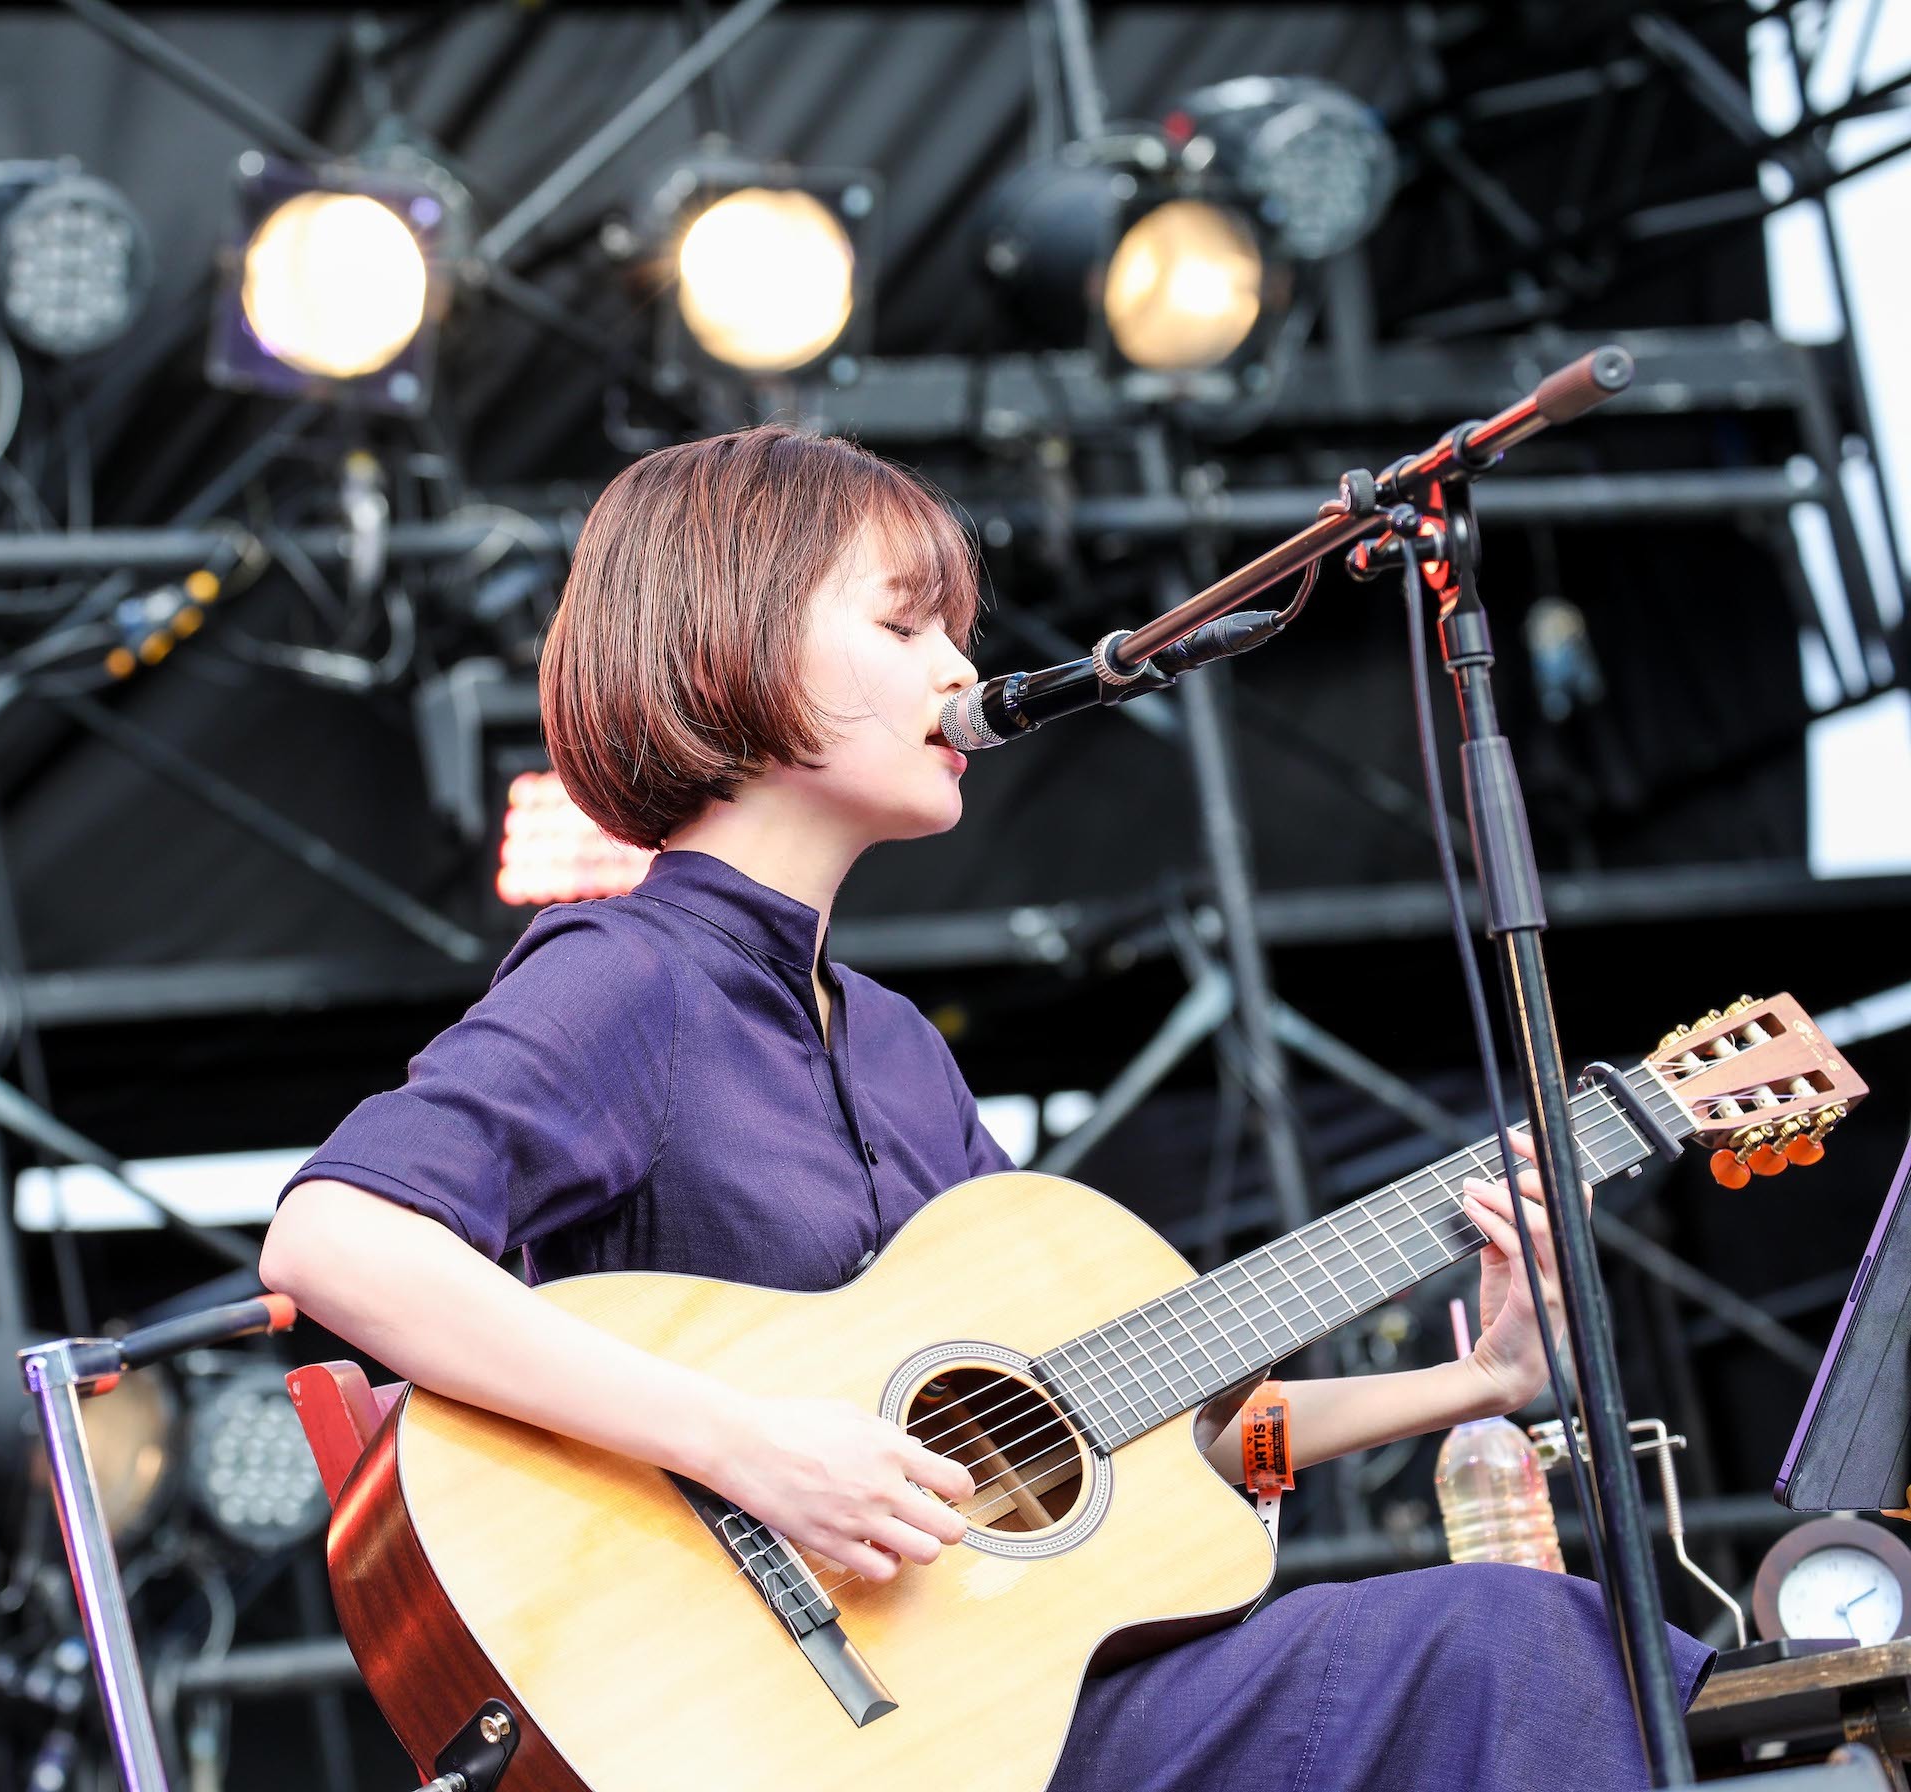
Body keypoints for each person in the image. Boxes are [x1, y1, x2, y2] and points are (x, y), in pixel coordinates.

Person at [259, 424, 1711, 1791]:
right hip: (808, 1730)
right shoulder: (629, 979)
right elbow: (336, 1241)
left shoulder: (895, 1049)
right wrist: (749, 1447)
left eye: (954, 629)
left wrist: (1477, 1385)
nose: (964, 669)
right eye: (903, 627)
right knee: (1510, 1648)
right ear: (730, 645)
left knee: (1531, 1638)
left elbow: (1127, 1444)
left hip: (1000, 1705)